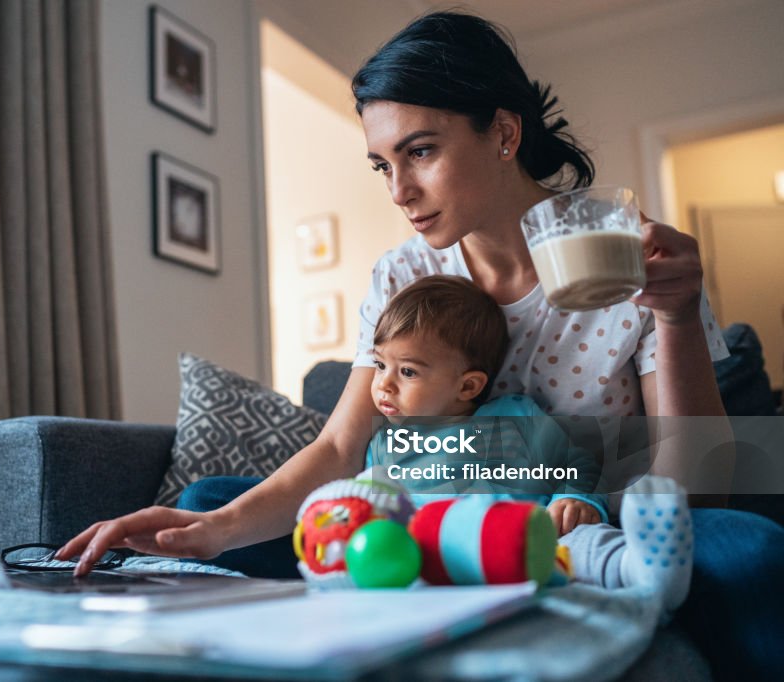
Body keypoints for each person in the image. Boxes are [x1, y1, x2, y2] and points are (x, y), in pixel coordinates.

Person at [58, 11, 784, 678]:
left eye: (421, 152)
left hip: (588, 532)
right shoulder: (404, 272)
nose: (398, 190)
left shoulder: (628, 251)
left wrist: (679, 317)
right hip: (435, 519)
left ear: (503, 134)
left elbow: (696, 491)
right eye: (382, 164)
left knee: (748, 547)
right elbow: (342, 451)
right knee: (213, 499)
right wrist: (210, 529)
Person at [363, 274, 691, 619]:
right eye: (380, 365)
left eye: (408, 373)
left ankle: (644, 572)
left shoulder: (513, 418)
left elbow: (577, 466)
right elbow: (376, 507)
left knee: (583, 544)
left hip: (536, 545)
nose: (384, 384)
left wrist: (575, 499)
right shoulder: (386, 446)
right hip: (444, 559)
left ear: (468, 386)